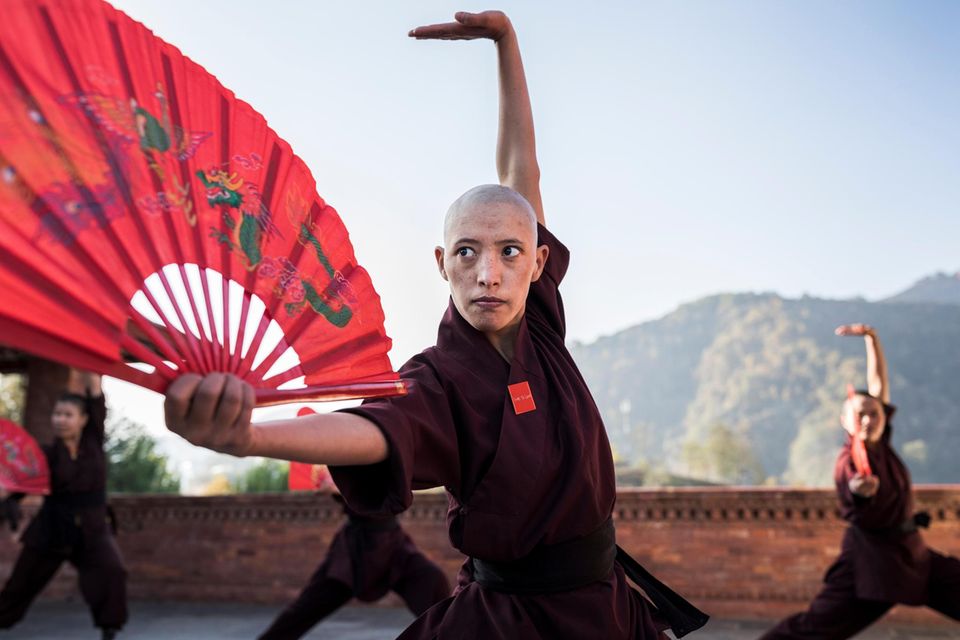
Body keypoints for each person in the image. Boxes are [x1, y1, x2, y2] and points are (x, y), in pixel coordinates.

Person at [164, 11, 705, 639]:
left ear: (538, 263)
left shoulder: (543, 327)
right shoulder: (440, 375)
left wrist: (506, 42)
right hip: (508, 622)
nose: (488, 274)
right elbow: (374, 429)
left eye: (509, 252)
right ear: (442, 264)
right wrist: (245, 438)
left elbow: (519, 168)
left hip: (607, 607)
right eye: (468, 252)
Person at [759, 324, 960, 639]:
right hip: (873, 565)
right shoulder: (849, 460)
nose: (868, 419)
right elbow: (852, 485)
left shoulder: (880, 442)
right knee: (813, 630)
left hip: (912, 554)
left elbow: (878, 386)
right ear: (845, 422)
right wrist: (860, 491)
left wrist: (873, 339)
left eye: (875, 414)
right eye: (859, 415)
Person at [0, 369, 127, 639]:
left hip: (93, 529)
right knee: (20, 585)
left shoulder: (93, 442)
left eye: (67, 415)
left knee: (111, 571)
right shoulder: (45, 454)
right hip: (51, 529)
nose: (60, 420)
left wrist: (88, 363)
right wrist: (7, 493)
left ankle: (109, 629)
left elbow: (95, 394)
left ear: (83, 420)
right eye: (57, 414)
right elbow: (25, 483)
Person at [258, 467, 450, 639]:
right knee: (303, 610)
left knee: (432, 582)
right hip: (352, 552)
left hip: (393, 545)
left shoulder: (389, 447)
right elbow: (332, 479)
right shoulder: (345, 452)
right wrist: (333, 485)